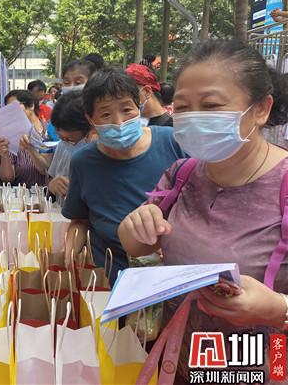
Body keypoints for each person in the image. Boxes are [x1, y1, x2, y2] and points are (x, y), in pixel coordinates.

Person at [118, 39, 288, 383]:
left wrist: (279, 310)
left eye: (211, 105)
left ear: (261, 109)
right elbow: (138, 244)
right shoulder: (181, 174)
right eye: (183, 107)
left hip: (267, 368)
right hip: (180, 363)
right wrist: (134, 225)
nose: (195, 118)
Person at [62, 69, 186, 284]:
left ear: (139, 107)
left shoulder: (172, 142)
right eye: (106, 115)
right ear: (90, 119)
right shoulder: (83, 162)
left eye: (127, 110)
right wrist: (69, 256)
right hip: (110, 278)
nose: (119, 122)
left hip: (170, 276)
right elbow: (80, 221)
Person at [0, 90, 49, 187]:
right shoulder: (9, 135)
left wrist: (30, 149)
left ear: (31, 106)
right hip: (19, 194)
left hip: (46, 193)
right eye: (8, 109)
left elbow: (45, 170)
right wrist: (4, 155)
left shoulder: (48, 131)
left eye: (14, 107)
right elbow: (7, 179)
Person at [46, 90, 92, 198]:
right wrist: (52, 185)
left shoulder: (99, 152)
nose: (64, 141)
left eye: (69, 139)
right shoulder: (62, 145)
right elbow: (52, 177)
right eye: (60, 136)